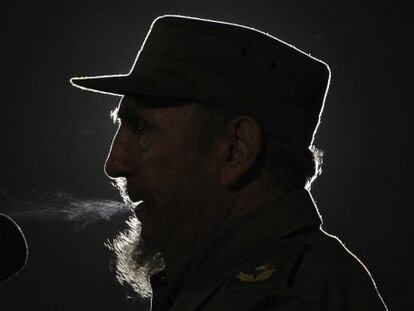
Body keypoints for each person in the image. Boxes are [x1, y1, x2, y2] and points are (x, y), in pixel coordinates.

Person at [71, 15, 387, 311]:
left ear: (236, 149)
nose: (114, 164)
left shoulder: (281, 299)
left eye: (141, 129)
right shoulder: (236, 282)